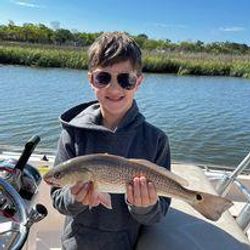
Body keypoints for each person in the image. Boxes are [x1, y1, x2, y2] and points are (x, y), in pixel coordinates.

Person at [50, 31, 171, 250]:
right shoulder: (72, 134)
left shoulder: (156, 140)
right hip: (75, 244)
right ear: (91, 80)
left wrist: (144, 206)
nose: (114, 88)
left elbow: (157, 215)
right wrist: (75, 198)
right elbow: (58, 200)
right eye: (103, 78)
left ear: (138, 82)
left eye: (126, 79)